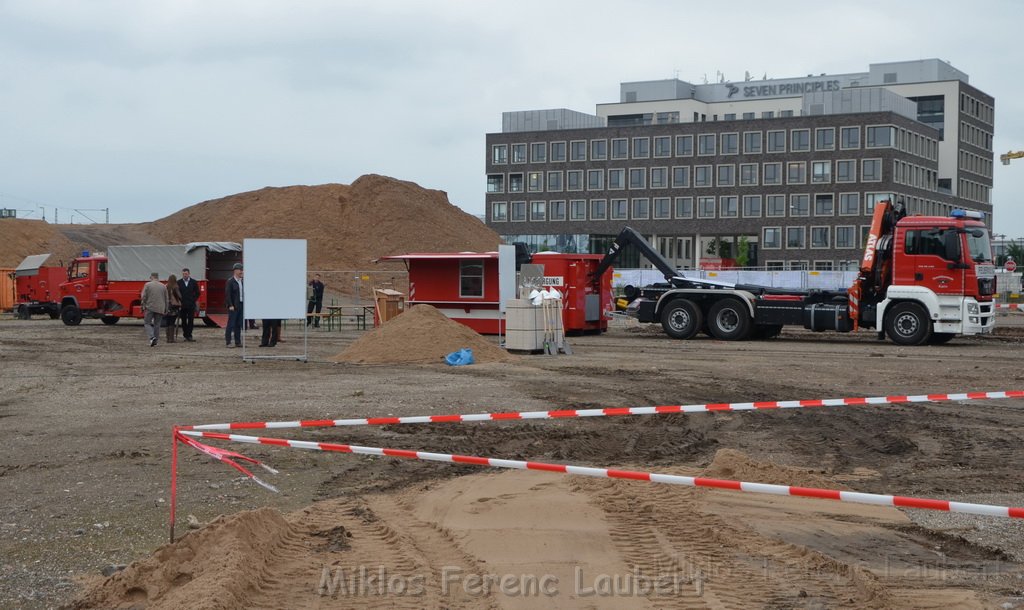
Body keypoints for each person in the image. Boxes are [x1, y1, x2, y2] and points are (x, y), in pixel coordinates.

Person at [140, 272, 168, 347]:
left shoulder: (147, 285)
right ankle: (156, 340)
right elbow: (166, 299)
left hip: (150, 307)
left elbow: (143, 296)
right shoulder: (163, 286)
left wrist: (142, 305)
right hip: (160, 308)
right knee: (157, 324)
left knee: (147, 323)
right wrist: (166, 309)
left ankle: (152, 337)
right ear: (157, 277)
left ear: (152, 277)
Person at [224, 263, 244, 348]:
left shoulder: (242, 281)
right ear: (235, 270)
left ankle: (237, 341)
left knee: (238, 324)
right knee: (231, 324)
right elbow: (227, 294)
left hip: (241, 304)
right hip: (233, 306)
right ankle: (228, 342)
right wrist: (230, 305)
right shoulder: (230, 281)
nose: (241, 272)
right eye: (240, 270)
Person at [177, 268, 200, 342]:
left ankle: (189, 335)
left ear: (189, 274)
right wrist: (179, 301)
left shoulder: (193, 282)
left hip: (191, 305)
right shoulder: (179, 282)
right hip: (182, 305)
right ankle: (185, 335)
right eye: (183, 274)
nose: (185, 275)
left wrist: (193, 299)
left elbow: (197, 292)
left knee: (191, 320)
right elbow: (177, 293)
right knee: (183, 321)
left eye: (186, 274)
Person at [164, 274, 182, 343]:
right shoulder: (175, 286)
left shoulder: (166, 286)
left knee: (167, 322)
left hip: (167, 306)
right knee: (172, 322)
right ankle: (171, 339)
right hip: (174, 307)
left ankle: (168, 338)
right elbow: (179, 296)